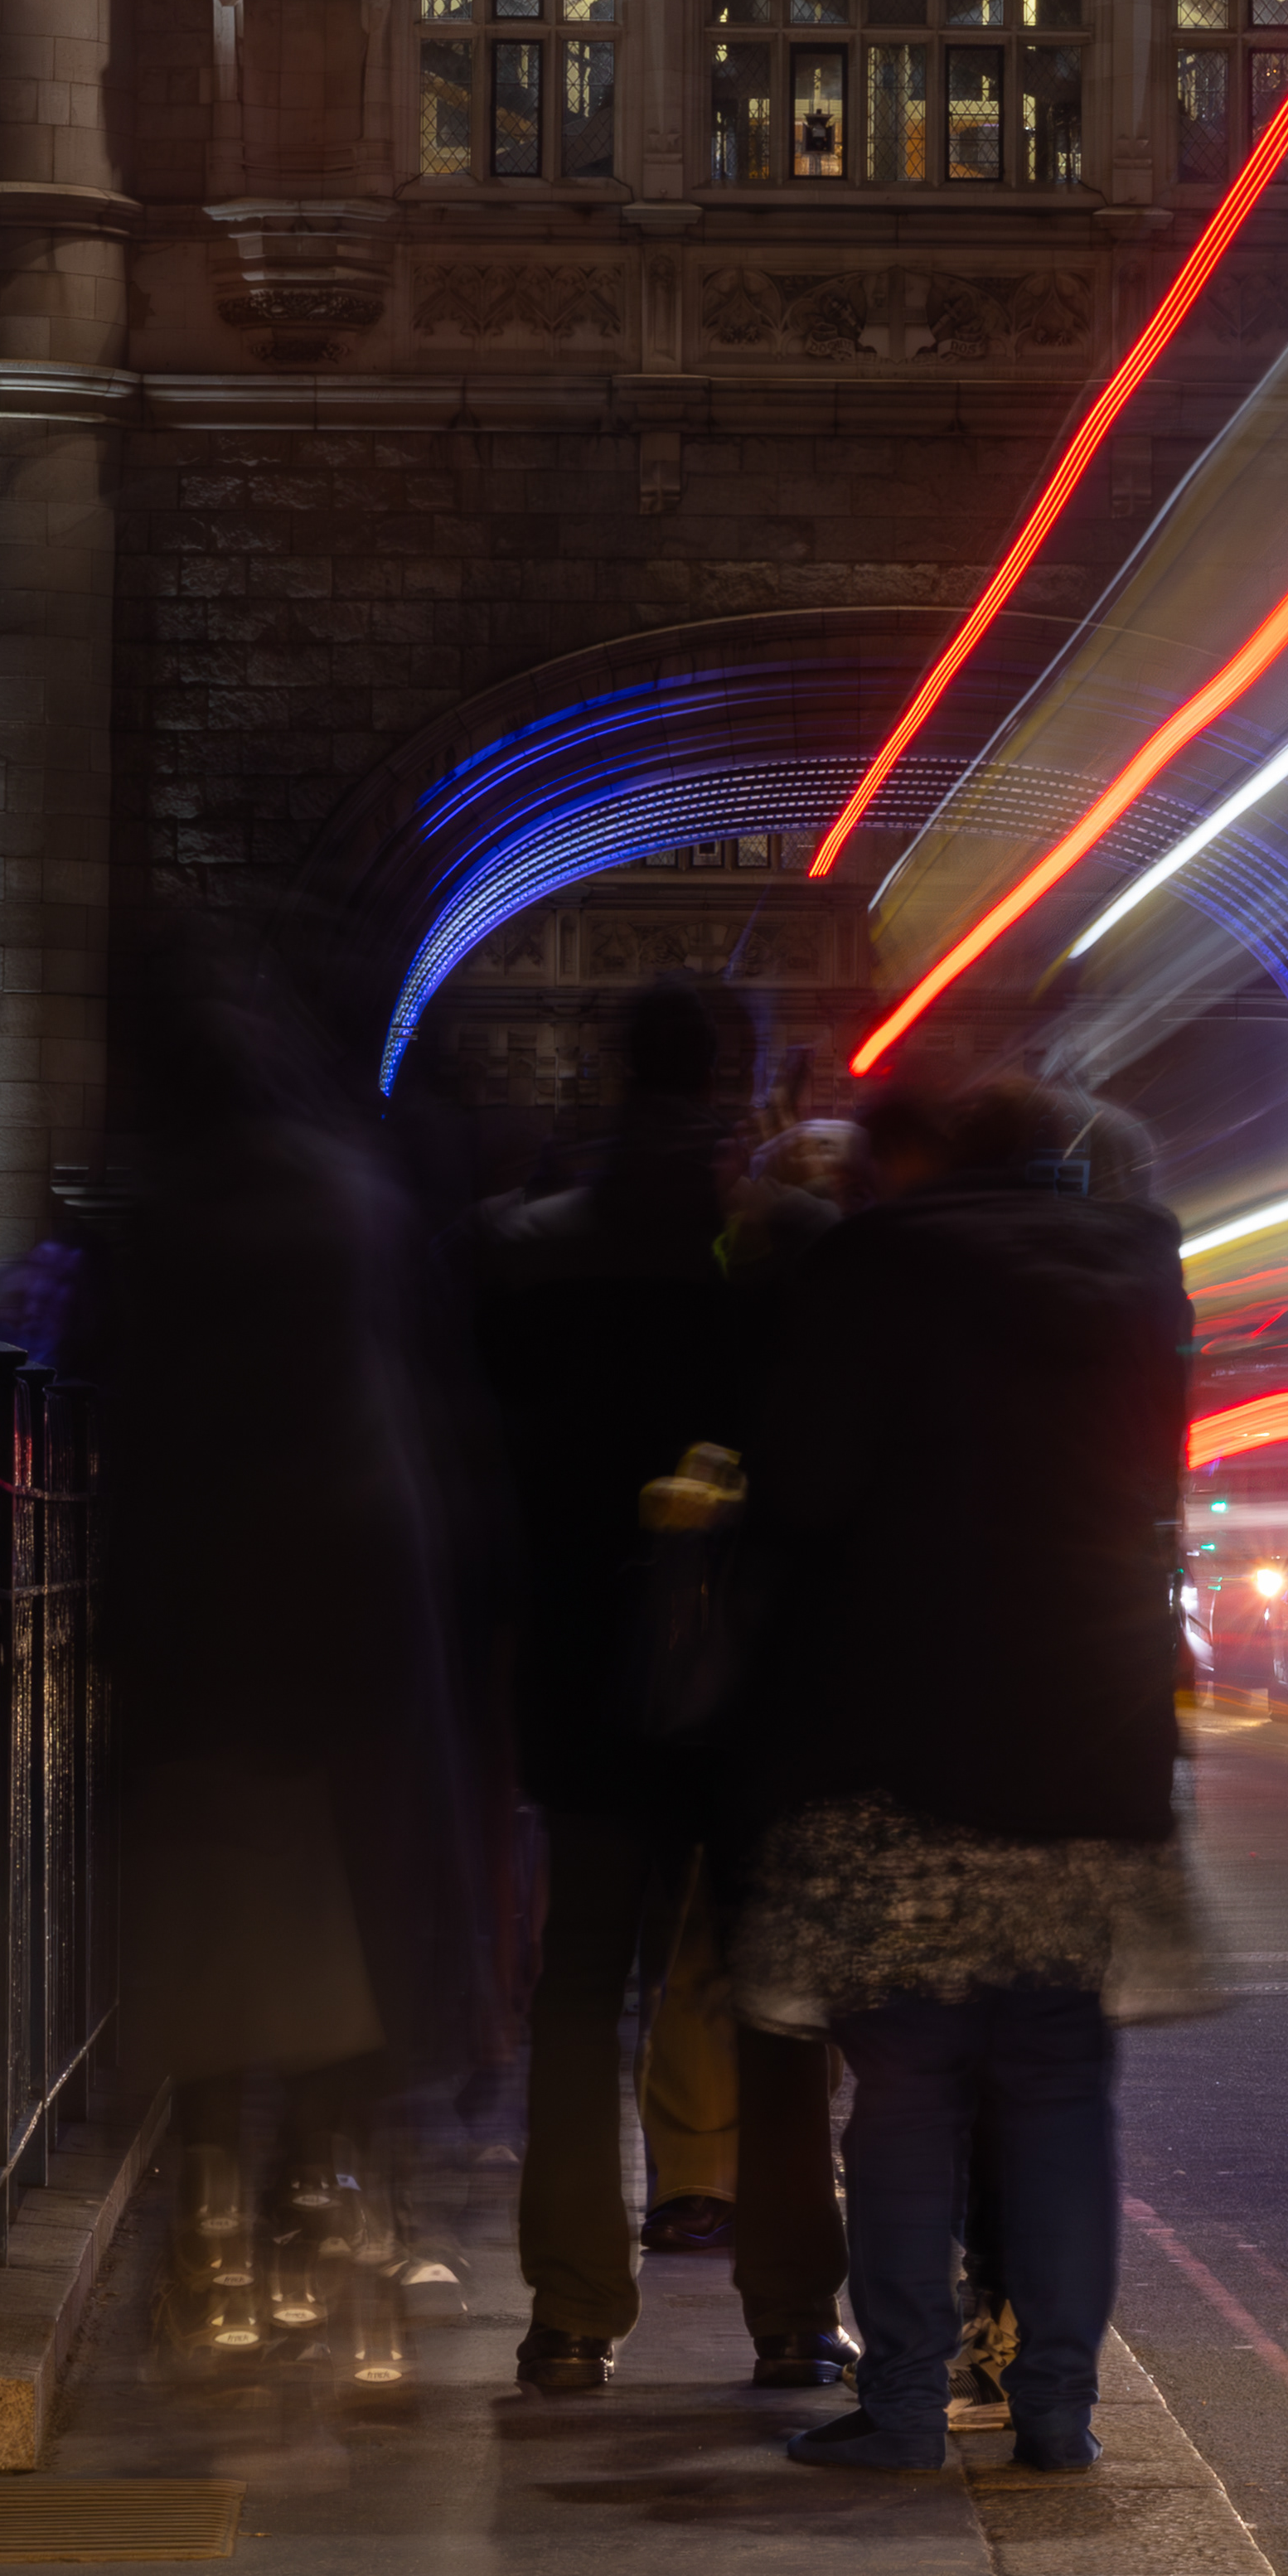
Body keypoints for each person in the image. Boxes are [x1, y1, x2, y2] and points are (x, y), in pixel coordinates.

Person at [734, 1071, 1190, 2476]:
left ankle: (907, 2404)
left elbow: (800, 1494)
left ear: (913, 1164)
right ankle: (1058, 2410)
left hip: (900, 1739)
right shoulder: (1138, 1272)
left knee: (911, 2086)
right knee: (1060, 2080)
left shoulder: (873, 1263)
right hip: (1090, 1727)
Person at [89, 923, 487, 2375]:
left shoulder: (163, 1221)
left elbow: (137, 1445)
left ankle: (207, 2246)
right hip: (362, 1639)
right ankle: (321, 2216)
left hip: (206, 1652)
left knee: (210, 1947)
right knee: (349, 1940)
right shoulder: (352, 1198)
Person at [477, 982, 845, 2396]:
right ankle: (793, 2312)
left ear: (606, 1074)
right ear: (741, 1080)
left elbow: (492, 1478)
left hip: (585, 1668)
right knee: (772, 1993)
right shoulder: (794, 1249)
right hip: (755, 1678)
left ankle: (570, 2312)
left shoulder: (525, 1251)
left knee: (579, 1991)